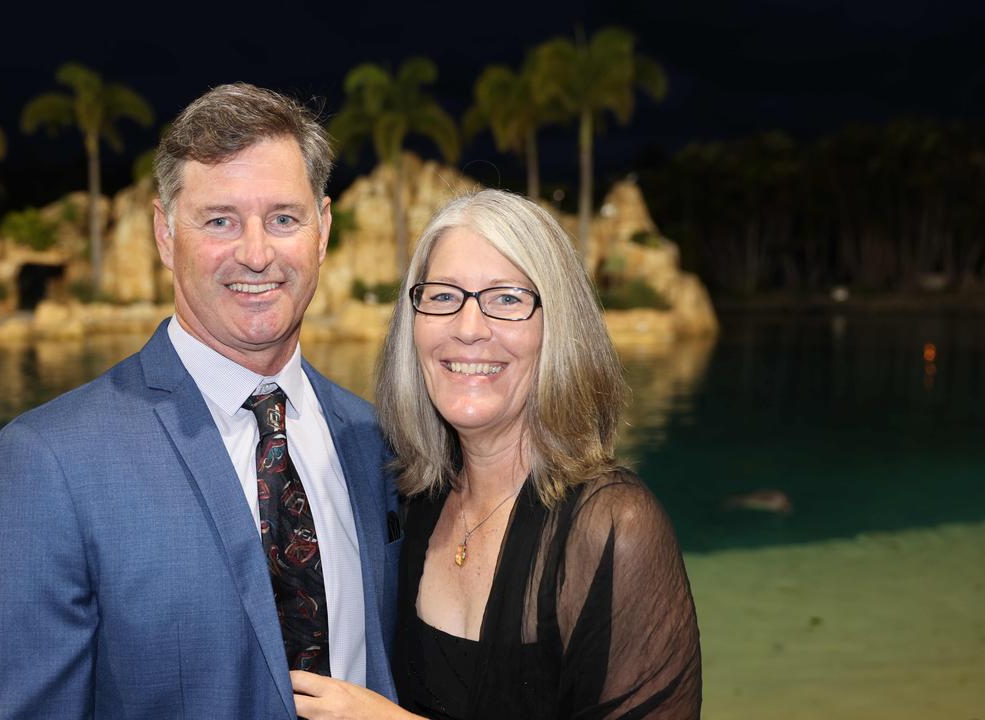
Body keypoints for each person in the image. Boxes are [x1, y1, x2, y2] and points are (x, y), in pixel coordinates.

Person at [0, 83, 402, 719]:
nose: (255, 253)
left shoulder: (373, 440)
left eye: (283, 218)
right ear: (166, 234)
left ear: (323, 230)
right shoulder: (45, 465)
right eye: (219, 220)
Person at [291, 190, 701, 719]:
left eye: (506, 298)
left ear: (559, 328)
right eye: (443, 297)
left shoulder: (613, 530)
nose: (468, 327)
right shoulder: (408, 503)